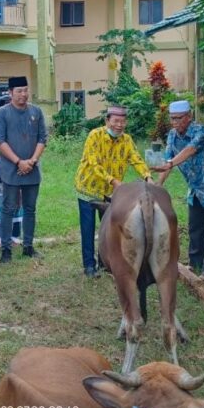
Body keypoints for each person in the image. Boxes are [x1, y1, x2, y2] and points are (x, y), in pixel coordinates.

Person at [151, 100, 204, 283]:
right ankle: (195, 264)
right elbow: (167, 162)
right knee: (195, 226)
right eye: (172, 119)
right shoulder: (172, 135)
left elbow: (189, 150)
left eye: (179, 118)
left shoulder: (200, 131)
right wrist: (158, 185)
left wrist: (171, 163)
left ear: (189, 117)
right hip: (195, 187)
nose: (175, 122)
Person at [74, 105, 153, 278]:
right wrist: (113, 180)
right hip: (88, 189)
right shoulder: (94, 136)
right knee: (88, 229)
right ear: (107, 121)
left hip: (111, 193)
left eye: (123, 122)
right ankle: (89, 266)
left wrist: (147, 176)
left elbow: (136, 159)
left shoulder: (126, 140)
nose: (119, 125)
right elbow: (94, 164)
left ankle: (105, 263)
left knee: (109, 228)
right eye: (116, 121)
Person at [0, 76, 48, 263]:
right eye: (19, 91)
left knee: (30, 209)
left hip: (32, 169)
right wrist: (18, 162)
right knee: (8, 209)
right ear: (10, 93)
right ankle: (6, 249)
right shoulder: (2, 114)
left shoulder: (36, 112)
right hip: (10, 171)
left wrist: (31, 161)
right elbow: (0, 141)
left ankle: (28, 246)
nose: (23, 94)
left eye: (25, 90)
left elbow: (42, 139)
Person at [0, 94, 21, 247]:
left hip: (18, 169)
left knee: (17, 202)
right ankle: (0, 236)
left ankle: (15, 235)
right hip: (2, 172)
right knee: (2, 203)